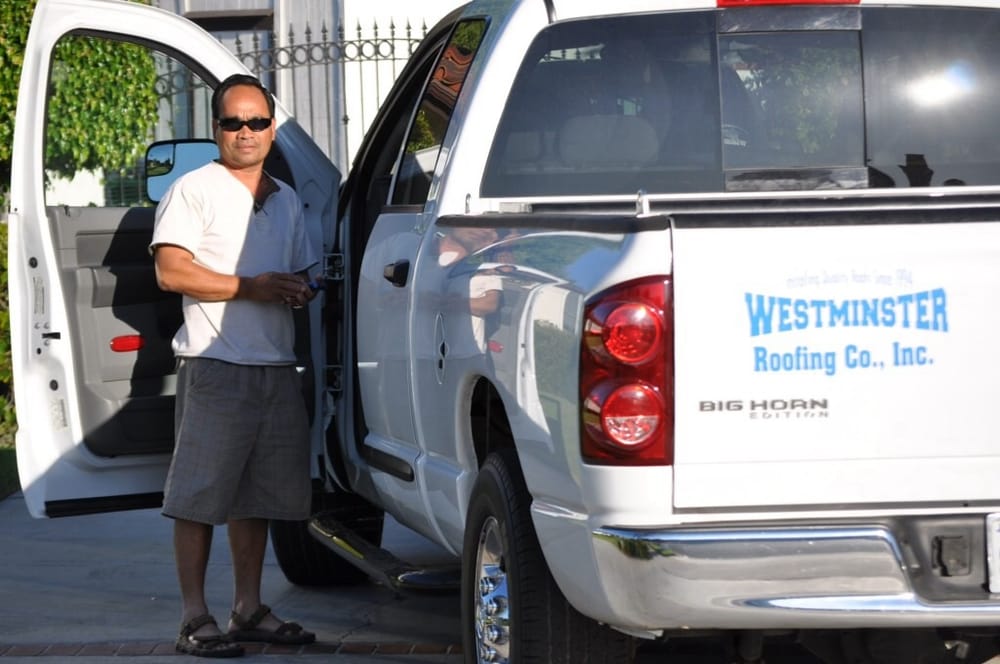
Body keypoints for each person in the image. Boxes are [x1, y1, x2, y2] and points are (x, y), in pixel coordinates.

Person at [150, 73, 319, 658]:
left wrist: (298, 290)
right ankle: (193, 618)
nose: (244, 132)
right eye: (232, 122)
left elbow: (295, 274)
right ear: (216, 129)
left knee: (258, 498)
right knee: (199, 498)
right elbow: (171, 271)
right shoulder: (193, 189)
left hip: (275, 365)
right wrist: (252, 287)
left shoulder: (287, 198)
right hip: (215, 362)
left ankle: (247, 609)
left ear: (272, 129)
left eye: (256, 122)